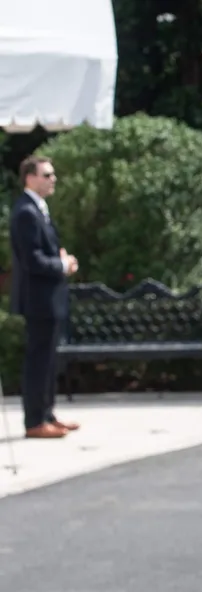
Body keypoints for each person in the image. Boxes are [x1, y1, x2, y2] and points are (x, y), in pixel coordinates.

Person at [8, 155, 80, 439]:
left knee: (49, 358)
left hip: (50, 297)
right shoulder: (26, 211)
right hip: (38, 299)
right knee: (38, 359)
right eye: (47, 175)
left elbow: (44, 250)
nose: (53, 180)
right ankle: (35, 420)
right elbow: (32, 259)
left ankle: (47, 413)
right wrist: (62, 265)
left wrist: (60, 259)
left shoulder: (38, 209)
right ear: (30, 178)